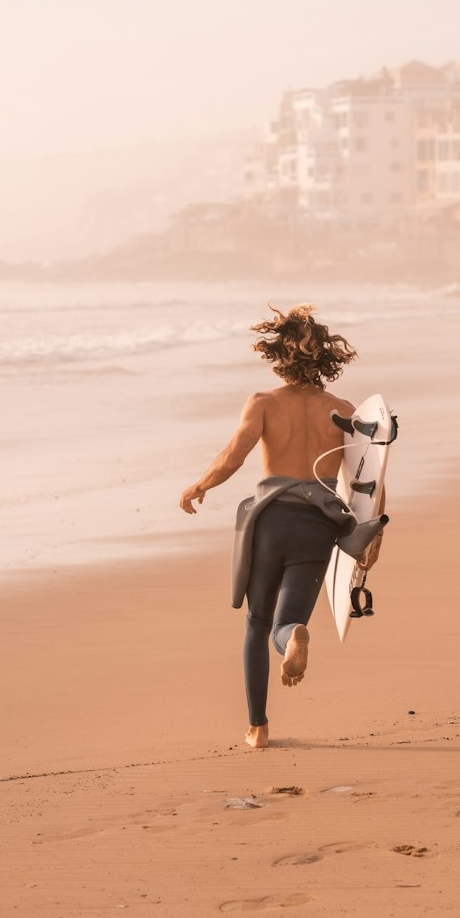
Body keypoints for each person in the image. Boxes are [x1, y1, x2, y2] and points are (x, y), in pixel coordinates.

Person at [180, 304, 384, 750]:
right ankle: (294, 635)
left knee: (256, 621)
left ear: (277, 355)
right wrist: (374, 535)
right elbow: (366, 480)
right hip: (317, 526)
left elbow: (233, 456)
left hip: (270, 522)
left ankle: (259, 729)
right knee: (286, 619)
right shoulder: (343, 410)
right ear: (328, 358)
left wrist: (199, 485)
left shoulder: (264, 404)